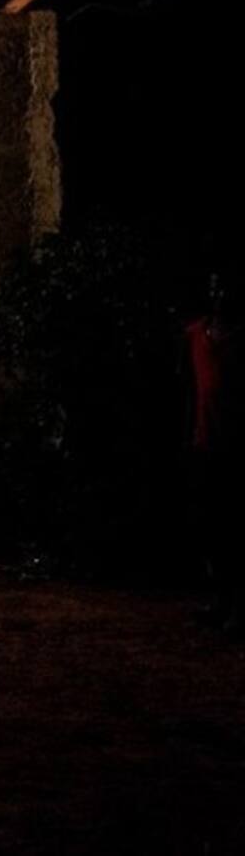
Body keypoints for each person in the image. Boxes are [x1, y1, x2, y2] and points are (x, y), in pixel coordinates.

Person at [184, 268, 243, 633]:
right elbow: (189, 387)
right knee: (210, 528)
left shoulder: (241, 339)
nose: (219, 293)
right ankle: (221, 600)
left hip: (236, 448)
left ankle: (236, 607)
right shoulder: (194, 335)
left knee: (235, 528)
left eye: (225, 286)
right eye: (214, 285)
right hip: (205, 444)